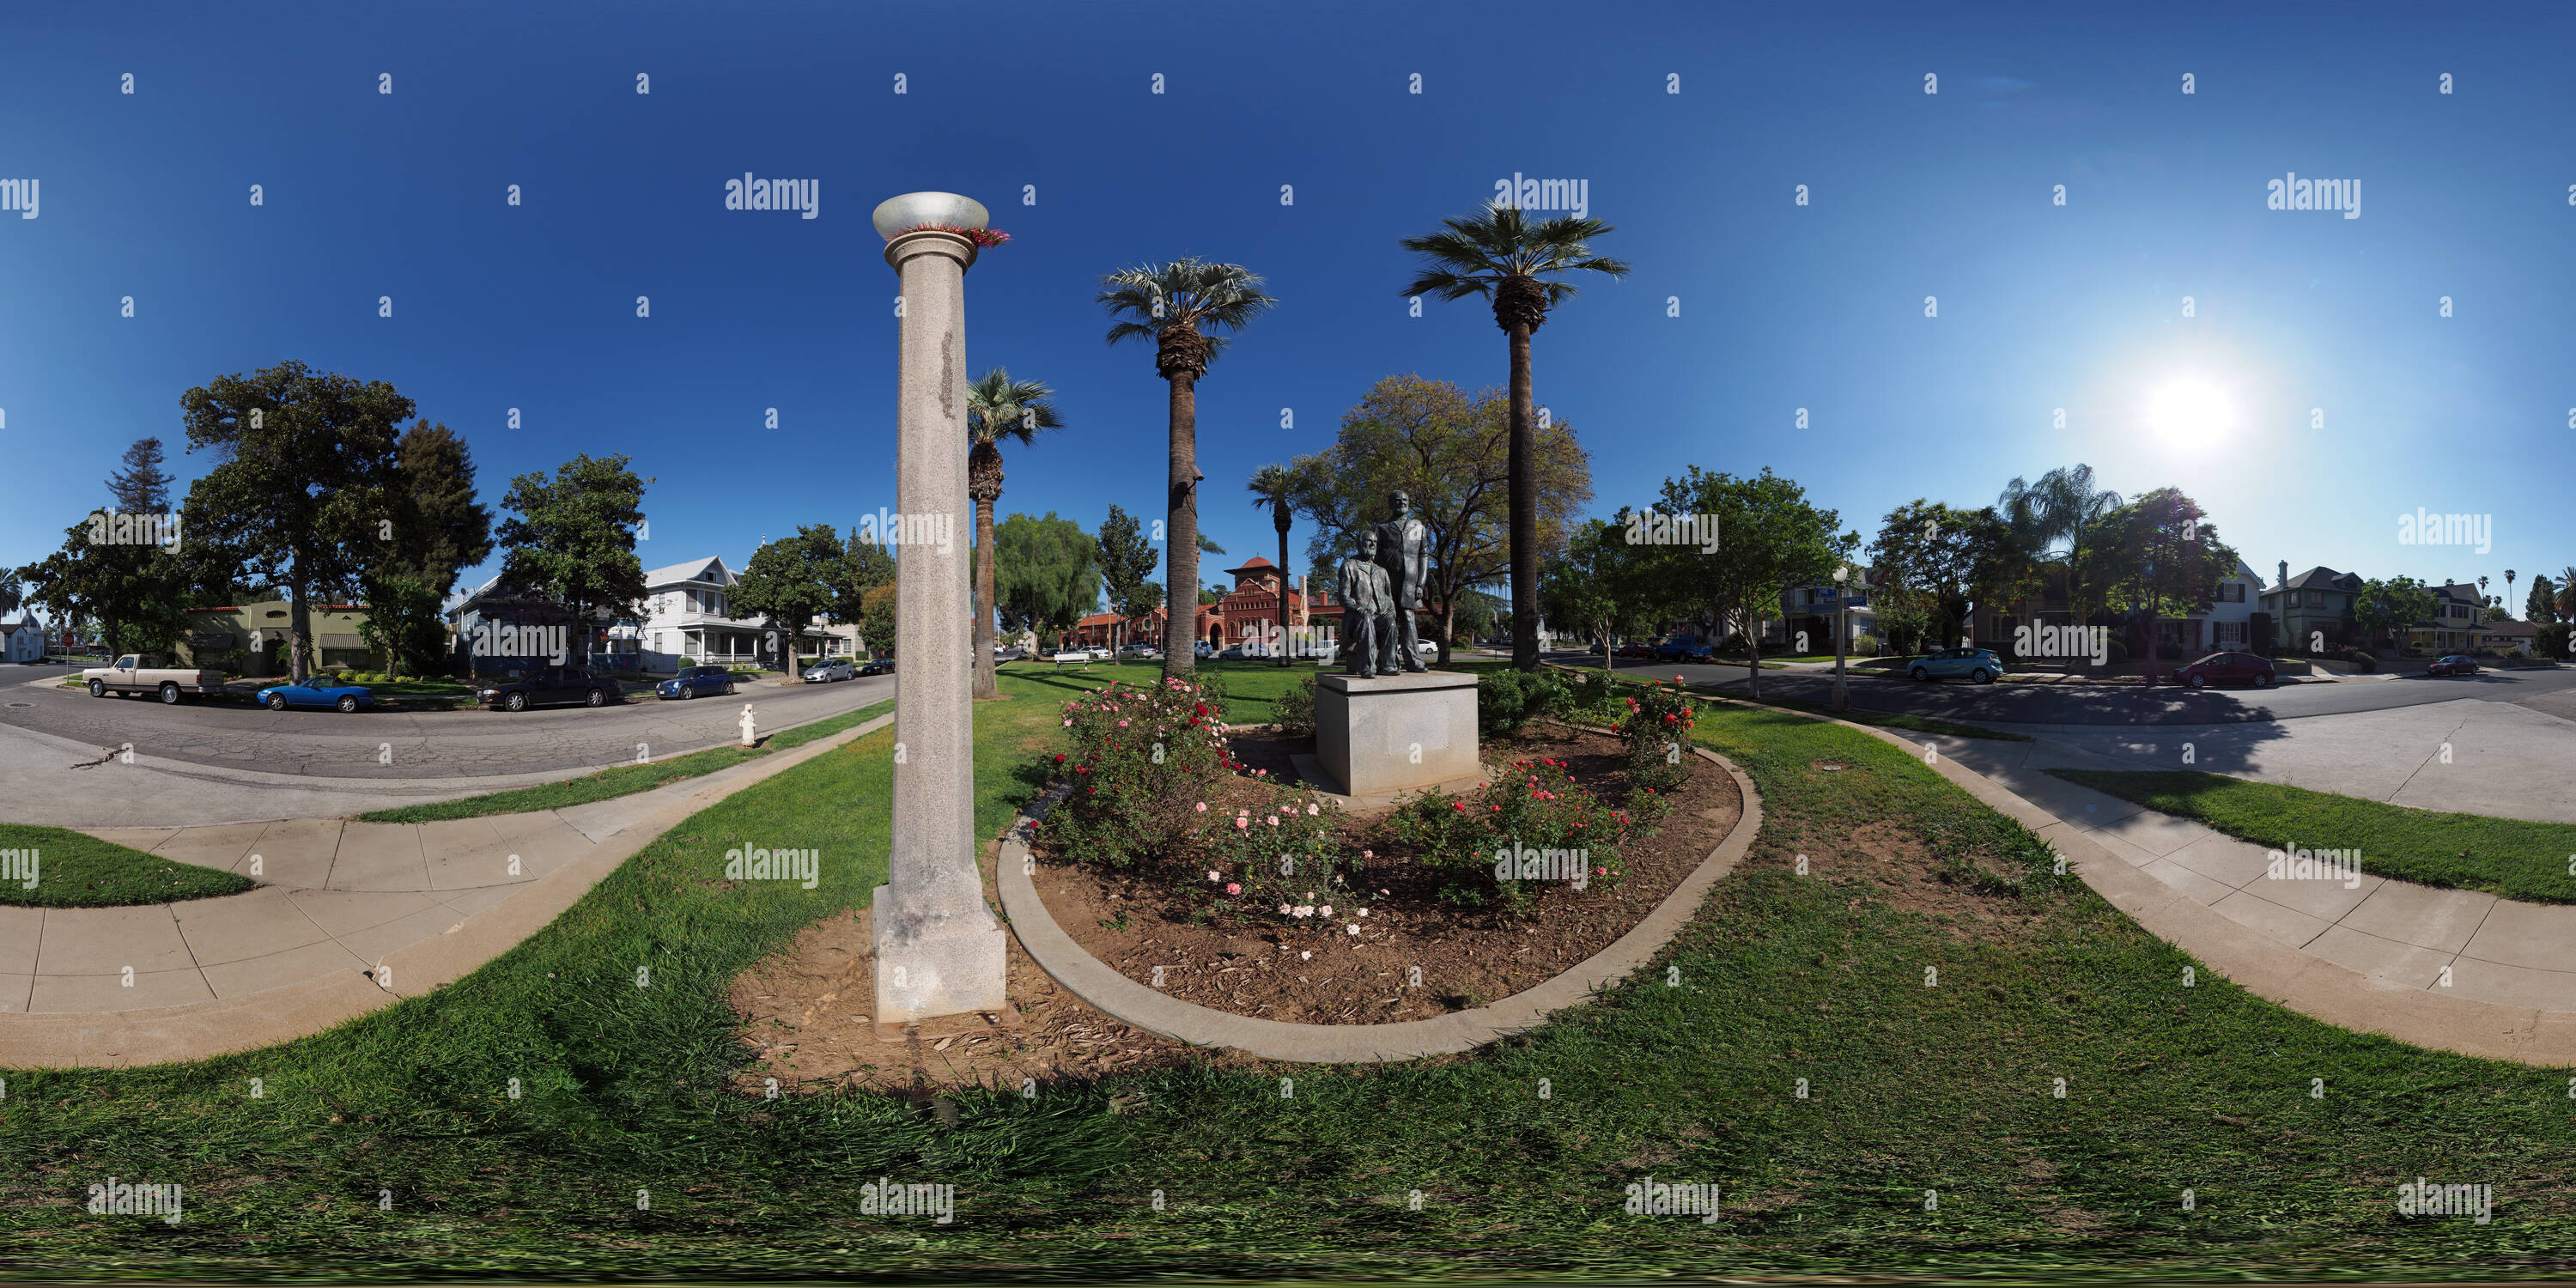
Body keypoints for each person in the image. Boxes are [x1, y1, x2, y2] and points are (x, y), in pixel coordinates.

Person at [1372, 490, 1431, 671]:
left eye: (1405, 500)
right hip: (1386, 583)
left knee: (1408, 617)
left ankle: (1413, 660)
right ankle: (1388, 662)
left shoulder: (1418, 527)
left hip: (1410, 583)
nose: (1401, 503)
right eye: (1397, 501)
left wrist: (1421, 583)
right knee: (1387, 620)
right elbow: (1372, 557)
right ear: (1390, 504)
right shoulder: (1381, 528)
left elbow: (1424, 555)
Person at [1337, 529, 1396, 677]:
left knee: (1390, 623)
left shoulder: (1381, 571)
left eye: (1375, 542)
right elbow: (1343, 596)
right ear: (1360, 544)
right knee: (1366, 619)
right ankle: (1367, 667)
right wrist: (1358, 608)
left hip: (1378, 617)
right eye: (1368, 541)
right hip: (1356, 617)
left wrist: (1391, 611)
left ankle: (1388, 665)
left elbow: (1389, 598)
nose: (1372, 544)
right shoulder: (1349, 566)